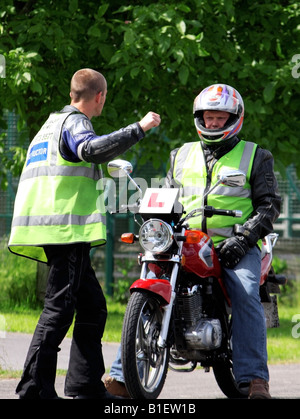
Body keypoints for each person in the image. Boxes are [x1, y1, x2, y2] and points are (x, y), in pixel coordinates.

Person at [104, 84, 281, 399]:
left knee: (244, 293)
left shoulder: (256, 155)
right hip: (185, 239)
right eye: (208, 117)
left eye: (219, 118)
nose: (212, 123)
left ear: (234, 118)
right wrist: (152, 215)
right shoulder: (181, 153)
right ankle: (121, 374)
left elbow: (269, 206)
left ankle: (255, 379)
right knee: (151, 277)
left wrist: (243, 238)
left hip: (233, 243)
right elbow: (169, 197)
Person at [8, 68, 161, 399]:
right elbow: (89, 150)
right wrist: (140, 128)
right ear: (100, 97)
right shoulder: (76, 123)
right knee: (59, 307)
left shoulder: (50, 125)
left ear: (72, 93)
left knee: (92, 306)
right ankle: (33, 389)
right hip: (64, 228)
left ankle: (85, 386)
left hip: (51, 225)